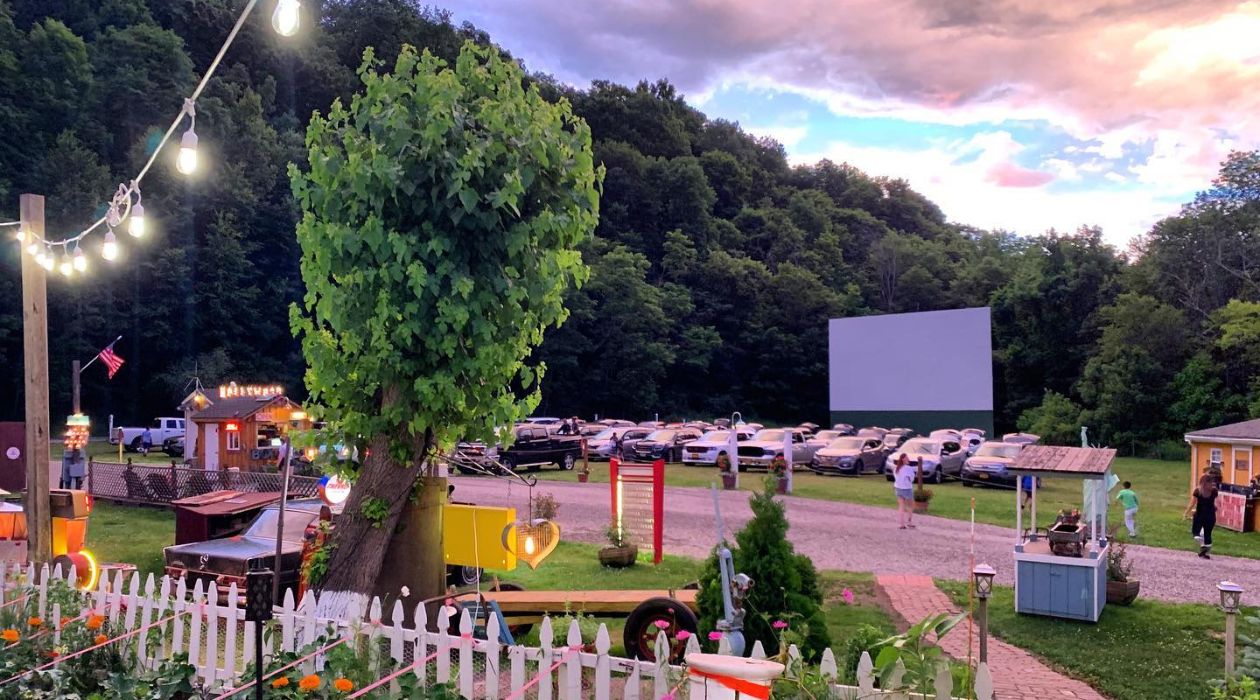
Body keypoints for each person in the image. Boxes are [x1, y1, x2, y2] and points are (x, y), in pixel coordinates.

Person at [1184, 473, 1219, 559]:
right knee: (1208, 534)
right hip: (1210, 515)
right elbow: (1214, 503)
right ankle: (1204, 551)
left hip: (1199, 514)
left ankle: (1201, 544)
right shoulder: (1214, 491)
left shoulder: (1198, 491)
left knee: (1195, 532)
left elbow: (1192, 503)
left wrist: (1186, 512)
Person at [892, 453, 917, 529]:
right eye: (907, 458)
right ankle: (909, 522)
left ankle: (901, 524)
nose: (908, 459)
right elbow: (912, 479)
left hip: (898, 488)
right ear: (903, 459)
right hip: (907, 489)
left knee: (901, 506)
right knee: (910, 506)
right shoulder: (908, 468)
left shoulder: (896, 468)